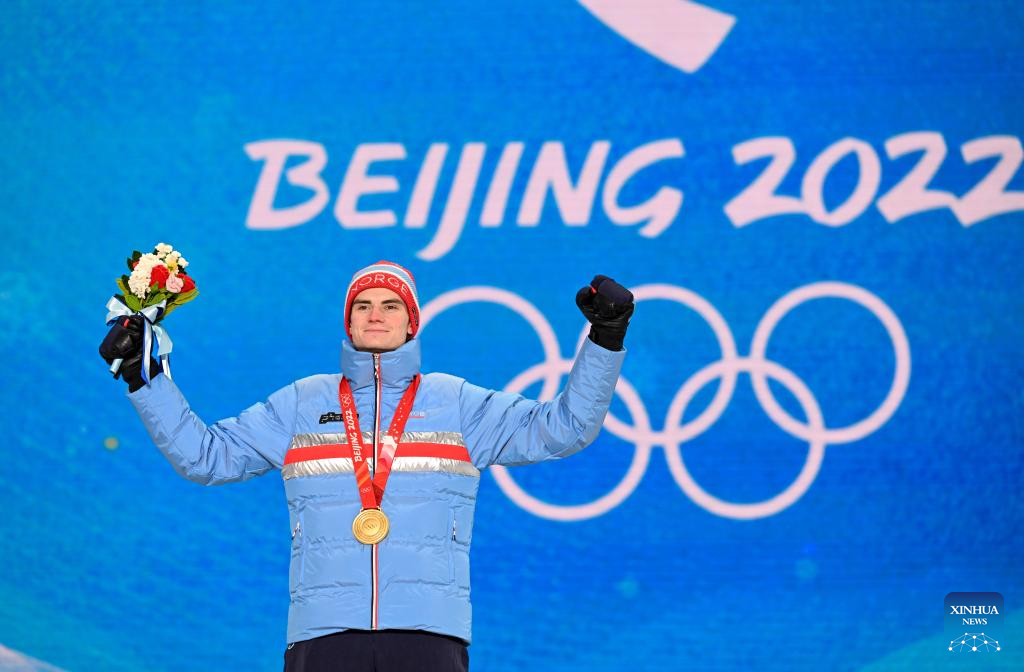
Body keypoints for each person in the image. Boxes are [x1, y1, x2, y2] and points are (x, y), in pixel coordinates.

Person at [99, 261, 634, 672]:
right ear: (348, 320)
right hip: (323, 634)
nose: (376, 315)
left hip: (428, 633)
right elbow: (205, 456)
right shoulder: (301, 404)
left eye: (390, 306)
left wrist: (605, 339)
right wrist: (144, 378)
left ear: (411, 322)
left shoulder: (459, 404)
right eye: (363, 306)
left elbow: (565, 428)